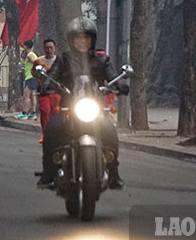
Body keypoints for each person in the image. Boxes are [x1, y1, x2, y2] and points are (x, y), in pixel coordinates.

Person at [38, 17, 126, 189]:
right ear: (72, 40)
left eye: (86, 38)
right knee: (51, 130)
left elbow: (112, 76)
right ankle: (48, 172)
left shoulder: (102, 60)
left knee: (110, 133)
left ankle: (113, 173)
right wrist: (47, 84)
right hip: (68, 108)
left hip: (95, 108)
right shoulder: (63, 60)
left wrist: (120, 85)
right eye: (78, 38)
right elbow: (53, 74)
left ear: (92, 40)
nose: (82, 41)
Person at [35, 38, 59, 143]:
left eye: (51, 47)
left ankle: (57, 134)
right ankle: (45, 135)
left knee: (57, 114)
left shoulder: (59, 61)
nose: (49, 50)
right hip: (44, 92)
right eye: (47, 48)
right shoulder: (39, 61)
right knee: (45, 112)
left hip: (57, 92)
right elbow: (35, 74)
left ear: (55, 48)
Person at [14, 40, 39, 119]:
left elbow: (36, 62)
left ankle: (24, 113)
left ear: (25, 46)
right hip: (32, 77)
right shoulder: (32, 54)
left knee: (26, 95)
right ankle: (33, 112)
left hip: (30, 77)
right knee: (32, 95)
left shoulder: (30, 55)